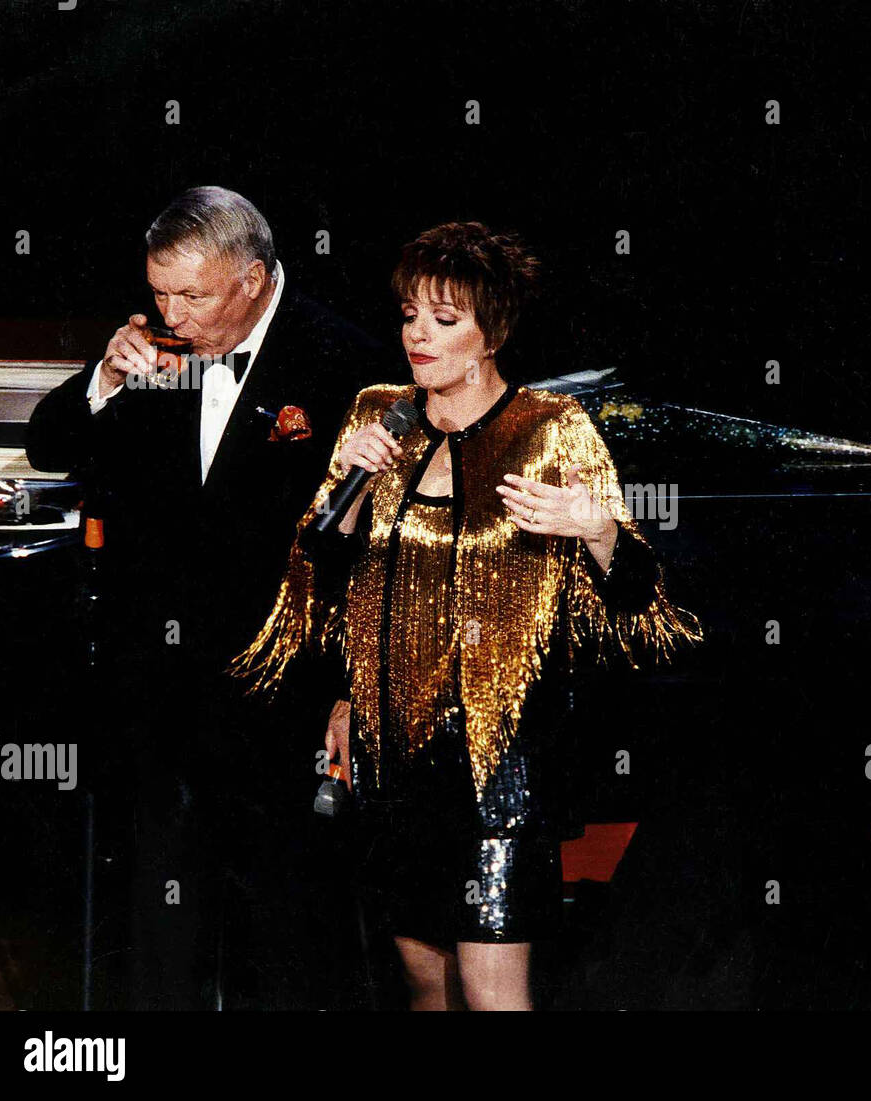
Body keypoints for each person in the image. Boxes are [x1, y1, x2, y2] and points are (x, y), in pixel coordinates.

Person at [232, 221, 702, 1010]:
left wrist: (594, 527)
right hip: (393, 750)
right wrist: (348, 490)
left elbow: (640, 601)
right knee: (427, 984)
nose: (419, 334)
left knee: (490, 990)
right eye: (411, 314)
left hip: (499, 755)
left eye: (444, 319)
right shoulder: (378, 413)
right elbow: (324, 569)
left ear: (494, 333)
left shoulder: (550, 429)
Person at [25, 185, 394, 1009]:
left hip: (281, 699)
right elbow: (47, 443)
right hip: (160, 698)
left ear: (257, 280)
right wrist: (106, 379)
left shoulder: (345, 365)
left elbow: (372, 555)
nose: (172, 312)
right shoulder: (155, 352)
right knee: (164, 930)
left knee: (289, 933)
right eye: (159, 291)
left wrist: (346, 691)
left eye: (192, 295)